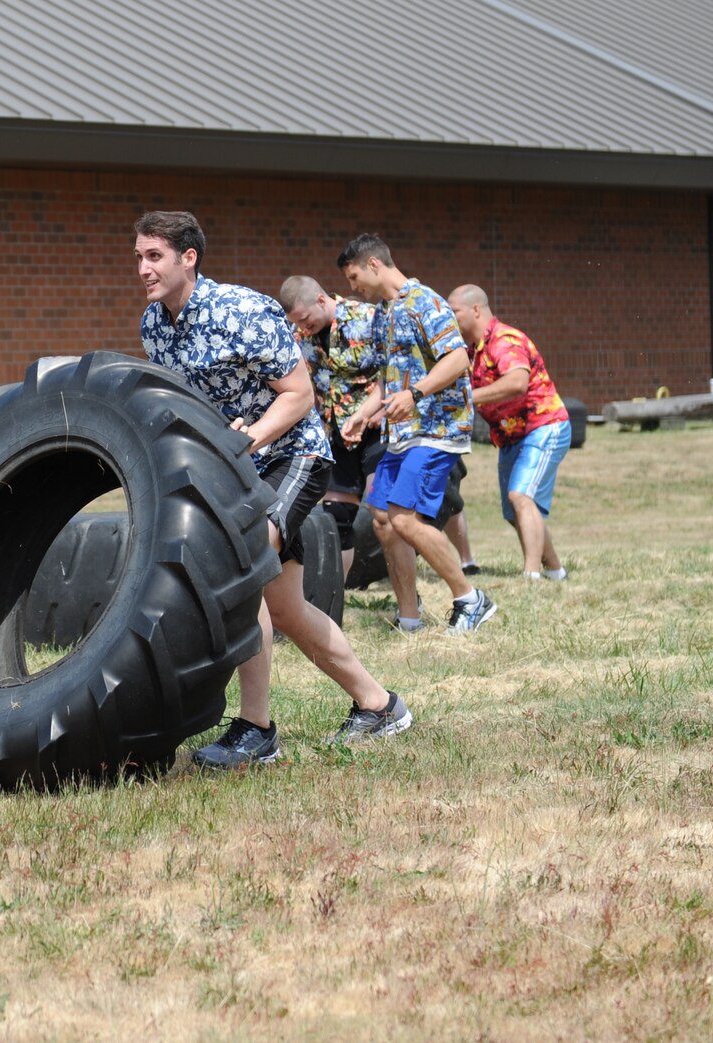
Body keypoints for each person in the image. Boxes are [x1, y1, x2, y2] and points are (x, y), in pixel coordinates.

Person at [136, 211, 410, 768]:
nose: (143, 268)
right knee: (283, 608)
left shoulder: (243, 311)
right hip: (234, 471)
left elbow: (299, 395)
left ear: (189, 258)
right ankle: (380, 706)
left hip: (293, 455)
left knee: (242, 574)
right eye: (139, 256)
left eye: (155, 256)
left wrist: (251, 440)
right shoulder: (154, 327)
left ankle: (256, 731)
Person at [339, 233, 495, 633]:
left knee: (405, 519)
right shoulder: (385, 313)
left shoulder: (425, 300)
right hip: (401, 431)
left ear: (374, 265)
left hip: (436, 427)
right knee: (382, 520)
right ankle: (410, 617)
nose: (352, 287)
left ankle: (470, 599)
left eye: (354, 276)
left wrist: (415, 393)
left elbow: (458, 359)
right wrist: (362, 414)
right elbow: (387, 378)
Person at [448, 284, 571, 580]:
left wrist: (469, 399)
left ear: (476, 310)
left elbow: (517, 383)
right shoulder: (471, 350)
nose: (449, 319)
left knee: (521, 496)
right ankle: (555, 571)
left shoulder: (505, 340)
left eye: (454, 312)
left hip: (543, 426)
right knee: (514, 510)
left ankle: (531, 575)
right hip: (510, 437)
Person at [277, 276, 383, 581]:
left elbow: (393, 372)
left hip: (377, 428)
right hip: (335, 433)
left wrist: (373, 410)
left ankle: (406, 593)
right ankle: (335, 597)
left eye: (306, 319)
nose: (304, 328)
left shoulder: (368, 319)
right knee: (337, 519)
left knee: (384, 515)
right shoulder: (299, 336)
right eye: (298, 323)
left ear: (322, 300)